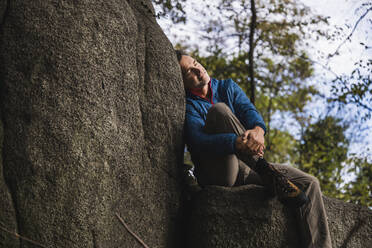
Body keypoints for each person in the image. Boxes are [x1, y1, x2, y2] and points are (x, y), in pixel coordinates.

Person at [176, 50, 332, 248]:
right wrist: (234, 142)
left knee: (309, 183)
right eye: (189, 70)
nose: (198, 68)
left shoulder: (226, 86)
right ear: (182, 80)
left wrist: (259, 130)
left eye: (196, 62)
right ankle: (267, 171)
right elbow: (198, 141)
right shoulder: (189, 105)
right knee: (220, 110)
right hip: (219, 171)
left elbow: (248, 110)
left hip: (248, 168)